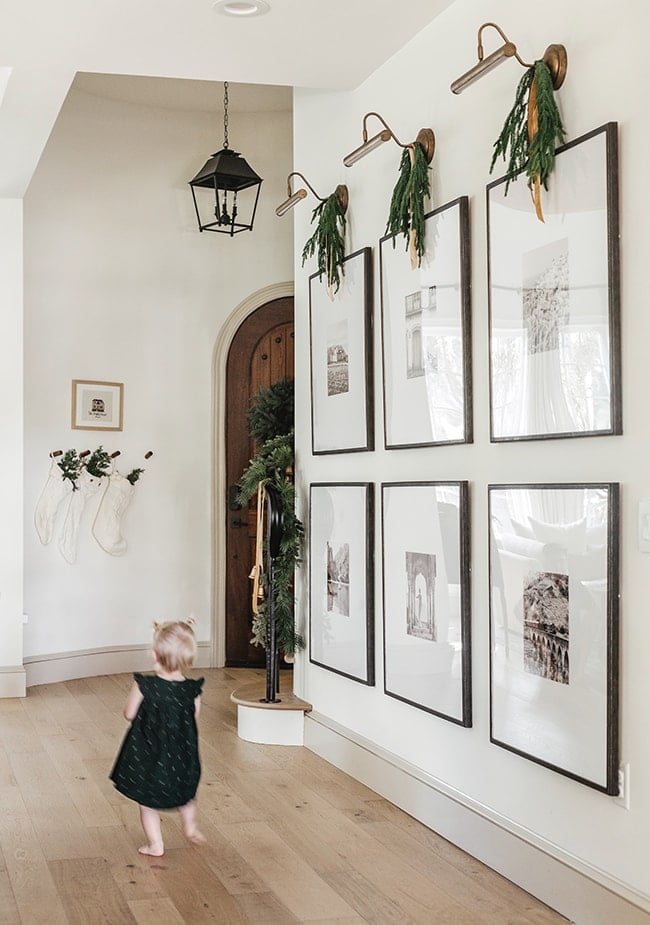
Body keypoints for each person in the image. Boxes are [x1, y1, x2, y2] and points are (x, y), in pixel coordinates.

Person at [109, 619, 205, 856]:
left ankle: (156, 844)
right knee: (186, 793)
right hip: (182, 753)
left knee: (147, 801)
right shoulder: (192, 690)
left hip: (150, 755)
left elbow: (129, 713)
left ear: (154, 654)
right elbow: (195, 716)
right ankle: (190, 826)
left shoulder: (145, 686)